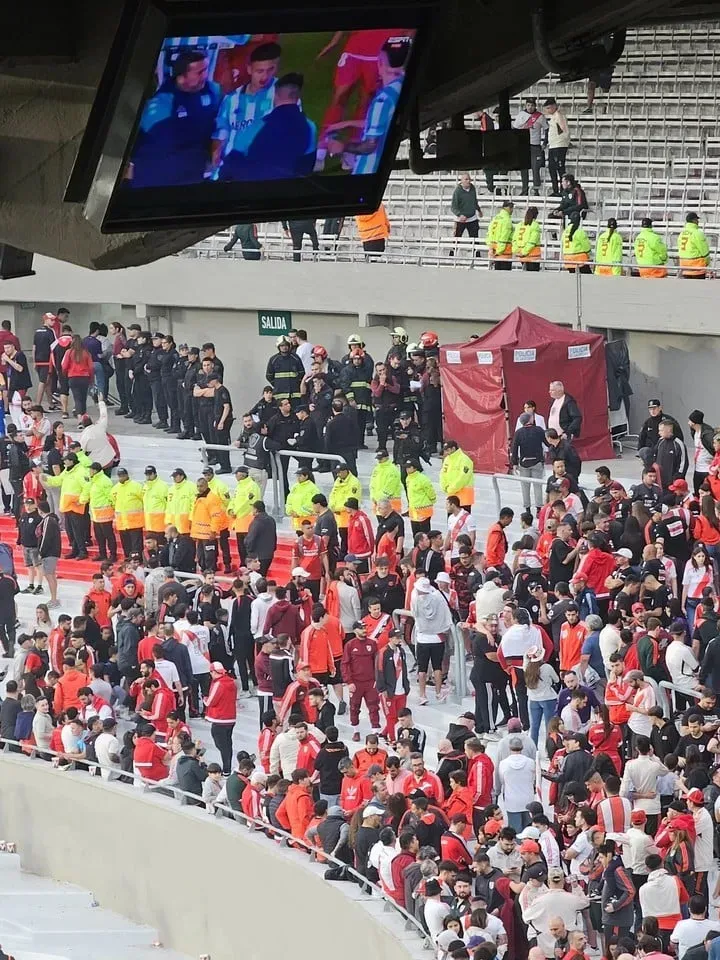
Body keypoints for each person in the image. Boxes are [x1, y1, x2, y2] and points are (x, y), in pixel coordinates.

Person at [130, 49, 222, 187]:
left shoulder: (212, 90)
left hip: (195, 175)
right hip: (161, 179)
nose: (205, 75)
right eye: (199, 72)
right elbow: (163, 148)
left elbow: (222, 120)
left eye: (206, 69)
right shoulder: (162, 104)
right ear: (182, 75)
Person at [325, 36, 411, 176]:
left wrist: (342, 147)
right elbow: (380, 122)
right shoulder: (400, 88)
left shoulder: (382, 100)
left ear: (380, 63)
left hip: (367, 170)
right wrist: (346, 124)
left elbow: (370, 146)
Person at [239, 73, 317, 181]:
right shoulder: (310, 127)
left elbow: (235, 159)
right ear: (297, 97)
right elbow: (307, 166)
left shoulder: (258, 125)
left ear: (276, 95)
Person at [498, 736, 536, 832]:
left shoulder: (503, 764)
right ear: (522, 747)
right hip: (528, 799)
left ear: (509, 748)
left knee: (515, 830)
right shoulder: (531, 762)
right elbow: (534, 779)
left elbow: (502, 781)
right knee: (528, 830)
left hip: (512, 801)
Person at [513, 97, 547, 196]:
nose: (530, 107)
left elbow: (546, 129)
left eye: (532, 105)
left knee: (535, 168)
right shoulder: (521, 115)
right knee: (524, 168)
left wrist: (545, 142)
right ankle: (524, 189)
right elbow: (515, 129)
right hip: (523, 145)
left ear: (535, 106)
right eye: (528, 105)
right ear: (526, 105)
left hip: (535, 145)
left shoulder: (540, 116)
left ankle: (536, 189)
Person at [543, 98, 570, 195]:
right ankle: (555, 190)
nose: (548, 110)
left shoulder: (559, 116)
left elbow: (563, 130)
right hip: (553, 145)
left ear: (554, 106)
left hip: (559, 145)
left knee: (559, 168)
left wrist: (564, 141)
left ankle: (563, 190)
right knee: (552, 168)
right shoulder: (554, 116)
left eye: (549, 108)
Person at [450, 174, 483, 247]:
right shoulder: (457, 191)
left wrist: (479, 210)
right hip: (461, 220)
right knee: (456, 240)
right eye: (466, 179)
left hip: (472, 218)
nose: (468, 181)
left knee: (475, 240)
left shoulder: (472, 188)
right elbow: (453, 207)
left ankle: (476, 256)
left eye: (469, 179)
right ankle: (452, 255)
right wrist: (460, 215)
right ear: (461, 181)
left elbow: (474, 201)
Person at [677, 212, 710, 279]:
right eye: (697, 219)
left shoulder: (681, 234)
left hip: (684, 267)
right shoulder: (697, 233)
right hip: (697, 268)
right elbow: (705, 252)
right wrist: (707, 263)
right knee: (699, 288)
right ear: (694, 220)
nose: (698, 221)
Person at [486, 200, 514, 270]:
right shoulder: (507, 220)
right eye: (511, 207)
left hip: (493, 250)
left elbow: (489, 234)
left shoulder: (495, 218)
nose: (512, 210)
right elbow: (504, 238)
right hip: (504, 253)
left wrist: (491, 250)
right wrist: (498, 252)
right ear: (508, 208)